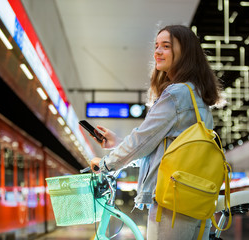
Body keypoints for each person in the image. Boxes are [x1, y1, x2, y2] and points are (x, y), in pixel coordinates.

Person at [90, 24, 223, 240]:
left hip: (172, 202)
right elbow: (162, 146)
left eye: (166, 46)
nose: (158, 52)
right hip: (197, 198)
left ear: (185, 52)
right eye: (157, 46)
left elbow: (142, 139)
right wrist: (118, 143)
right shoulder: (197, 95)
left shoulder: (176, 93)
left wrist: (105, 164)